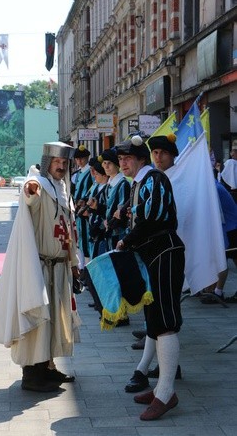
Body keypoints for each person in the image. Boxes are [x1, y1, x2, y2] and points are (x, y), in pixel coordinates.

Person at [0, 142, 80, 392]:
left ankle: (48, 368)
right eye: (56, 162)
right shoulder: (40, 184)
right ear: (48, 162)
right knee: (38, 321)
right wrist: (30, 188)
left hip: (60, 268)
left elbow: (69, 231)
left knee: (55, 322)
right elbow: (30, 196)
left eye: (64, 163)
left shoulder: (63, 189)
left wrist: (74, 263)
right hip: (40, 268)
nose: (61, 166)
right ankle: (32, 375)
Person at [116, 135, 185, 421]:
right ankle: (160, 388)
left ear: (141, 159)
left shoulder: (153, 179)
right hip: (153, 255)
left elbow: (153, 218)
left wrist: (126, 240)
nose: (123, 163)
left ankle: (166, 393)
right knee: (155, 321)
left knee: (165, 322)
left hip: (164, 252)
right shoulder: (140, 183)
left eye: (128, 158)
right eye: (120, 160)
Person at [72, 145, 93, 267]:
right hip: (78, 210)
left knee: (86, 237)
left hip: (86, 209)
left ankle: (86, 265)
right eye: (77, 159)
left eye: (82, 158)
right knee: (80, 237)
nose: (79, 161)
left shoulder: (90, 171)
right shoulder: (77, 173)